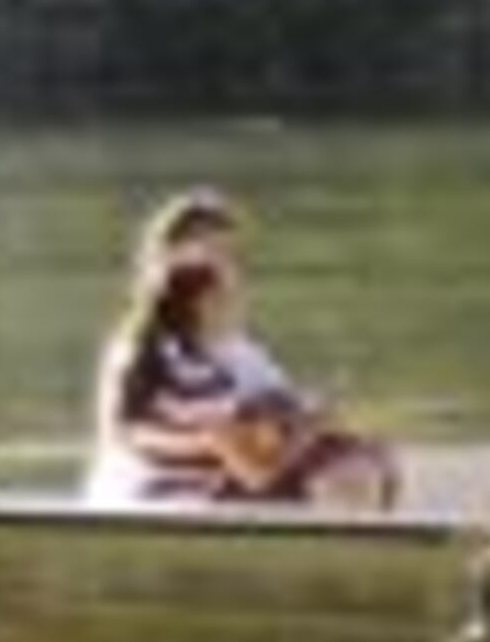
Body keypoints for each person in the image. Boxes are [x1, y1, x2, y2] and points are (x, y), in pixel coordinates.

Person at [82, 184, 401, 510]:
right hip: (158, 487)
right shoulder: (138, 346)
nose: (224, 267)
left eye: (228, 254)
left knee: (359, 459)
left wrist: (309, 420)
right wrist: (207, 443)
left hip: (232, 473)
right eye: (208, 251)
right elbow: (125, 432)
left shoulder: (241, 351)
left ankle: (358, 550)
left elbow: (280, 412)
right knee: (318, 476)